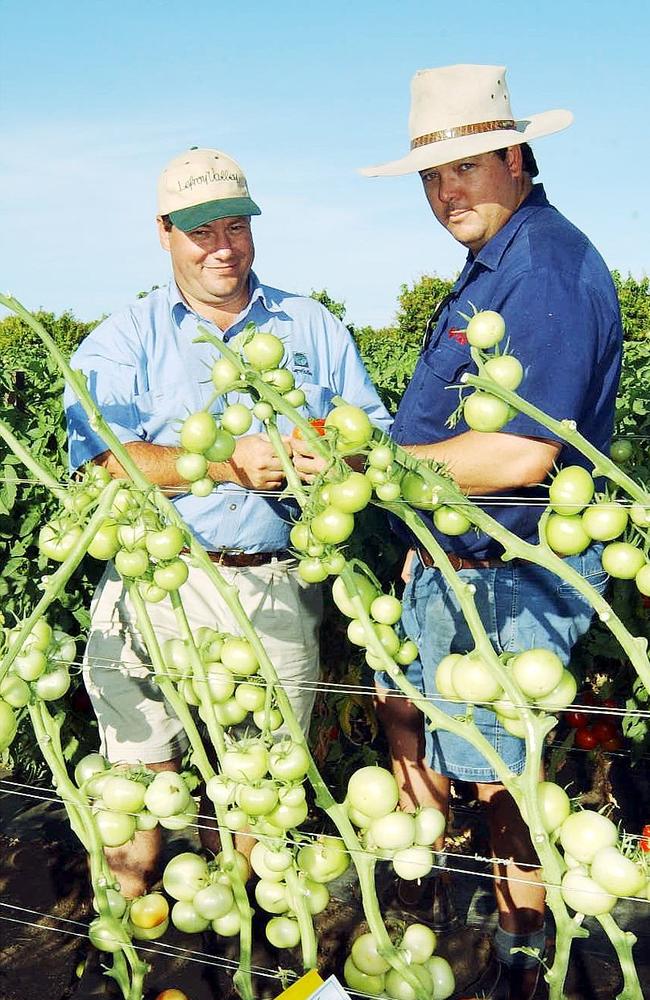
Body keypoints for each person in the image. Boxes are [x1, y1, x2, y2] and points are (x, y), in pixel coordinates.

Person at [65, 147, 392, 899]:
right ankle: (138, 942)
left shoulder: (311, 328)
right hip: (150, 586)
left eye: (236, 226)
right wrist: (220, 466)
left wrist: (333, 457)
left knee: (261, 796)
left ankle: (246, 941)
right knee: (138, 788)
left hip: (271, 589)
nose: (223, 246)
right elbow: (104, 463)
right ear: (164, 233)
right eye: (200, 230)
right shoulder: (124, 339)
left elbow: (369, 443)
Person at [360, 65, 622, 999]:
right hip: (460, 562)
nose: (444, 194)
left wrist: (365, 469)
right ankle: (514, 935)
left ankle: (528, 958)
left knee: (507, 779)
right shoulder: (502, 262)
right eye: (432, 178)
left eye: (464, 168)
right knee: (478, 772)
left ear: (515, 155)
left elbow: (516, 457)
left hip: (511, 575)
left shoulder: (544, 268)